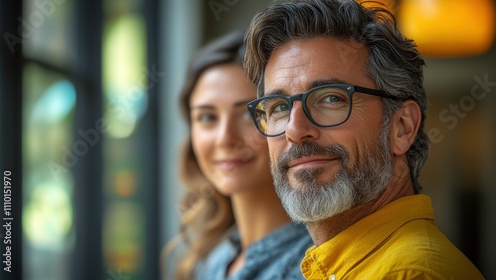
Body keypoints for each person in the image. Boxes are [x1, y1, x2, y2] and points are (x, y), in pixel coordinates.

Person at [243, 0, 484, 279]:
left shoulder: (412, 273)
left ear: (402, 128)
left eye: (331, 98)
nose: (295, 130)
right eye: (279, 107)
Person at [163, 30, 312, 280]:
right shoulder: (210, 261)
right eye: (207, 117)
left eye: (247, 114)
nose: (224, 138)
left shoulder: (313, 266)